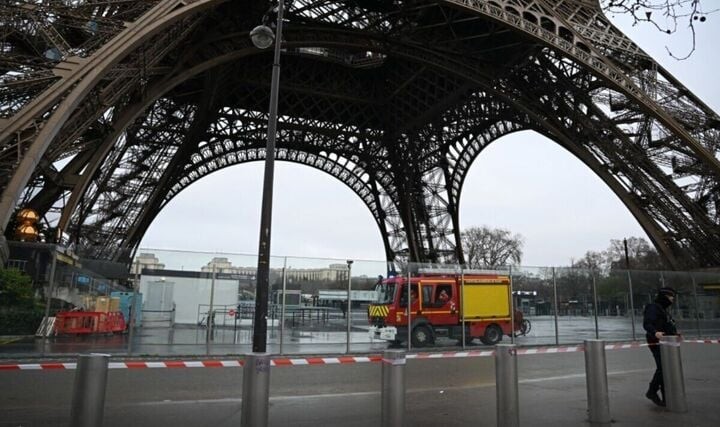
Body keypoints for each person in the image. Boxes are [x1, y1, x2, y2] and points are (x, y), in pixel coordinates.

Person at [642, 287, 678, 407]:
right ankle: (652, 391)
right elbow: (647, 323)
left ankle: (666, 397)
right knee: (663, 367)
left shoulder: (663, 309)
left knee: (665, 368)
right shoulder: (653, 307)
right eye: (670, 297)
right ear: (664, 297)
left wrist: (675, 333)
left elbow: (667, 324)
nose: (672, 299)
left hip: (667, 341)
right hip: (657, 341)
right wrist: (655, 332)